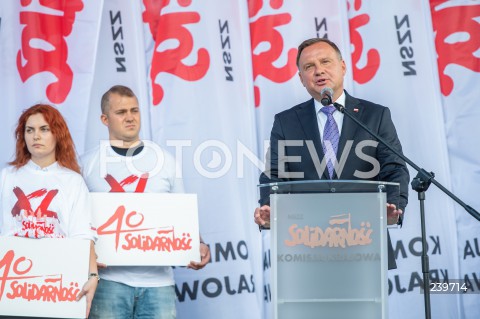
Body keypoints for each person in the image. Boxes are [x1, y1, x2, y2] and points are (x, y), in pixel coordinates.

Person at [253, 38, 410, 269]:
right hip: (305, 244)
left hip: (363, 239)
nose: (319, 70)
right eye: (309, 67)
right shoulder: (286, 122)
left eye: (325, 61)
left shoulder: (374, 116)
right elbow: (275, 175)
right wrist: (270, 207)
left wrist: (392, 207)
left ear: (343, 67)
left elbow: (394, 168)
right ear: (301, 78)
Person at [81, 85, 211, 319]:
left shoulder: (165, 160)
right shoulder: (87, 164)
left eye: (135, 110)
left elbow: (182, 217)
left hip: (159, 284)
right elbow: (77, 224)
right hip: (109, 282)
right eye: (121, 112)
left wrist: (199, 245)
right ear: (104, 118)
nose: (130, 117)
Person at [0, 104, 98, 317]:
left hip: (57, 284)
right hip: (11, 284)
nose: (36, 136)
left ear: (57, 134)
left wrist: (92, 275)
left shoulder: (73, 181)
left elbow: (83, 234)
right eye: (30, 130)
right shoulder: (6, 177)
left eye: (44, 129)